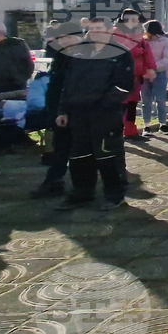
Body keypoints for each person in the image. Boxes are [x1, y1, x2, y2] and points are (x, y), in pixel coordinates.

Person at [54, 18, 135, 210]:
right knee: (79, 155)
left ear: (110, 30)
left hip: (105, 114)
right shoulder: (80, 52)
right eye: (92, 29)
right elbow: (68, 84)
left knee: (107, 155)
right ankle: (82, 192)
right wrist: (63, 110)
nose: (95, 32)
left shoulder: (121, 54)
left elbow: (124, 86)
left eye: (99, 28)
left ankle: (114, 194)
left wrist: (103, 103)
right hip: (78, 113)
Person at [30, 22, 84, 198]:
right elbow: (56, 85)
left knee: (79, 150)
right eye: (61, 38)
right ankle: (54, 181)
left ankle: (82, 185)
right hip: (59, 107)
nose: (64, 41)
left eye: (68, 37)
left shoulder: (84, 57)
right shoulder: (60, 56)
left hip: (77, 109)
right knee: (61, 148)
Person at [112, 9, 156, 141]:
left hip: (136, 75)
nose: (136, 22)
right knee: (122, 104)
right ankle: (117, 131)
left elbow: (147, 52)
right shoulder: (116, 33)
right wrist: (139, 50)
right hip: (121, 75)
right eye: (134, 20)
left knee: (132, 104)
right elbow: (127, 49)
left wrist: (151, 68)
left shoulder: (138, 35)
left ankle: (130, 131)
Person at [142, 21, 168, 134]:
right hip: (145, 74)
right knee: (146, 101)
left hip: (160, 73)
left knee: (160, 100)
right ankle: (146, 126)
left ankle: (163, 124)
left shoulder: (166, 41)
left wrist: (153, 68)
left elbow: (167, 58)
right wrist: (146, 69)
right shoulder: (143, 41)